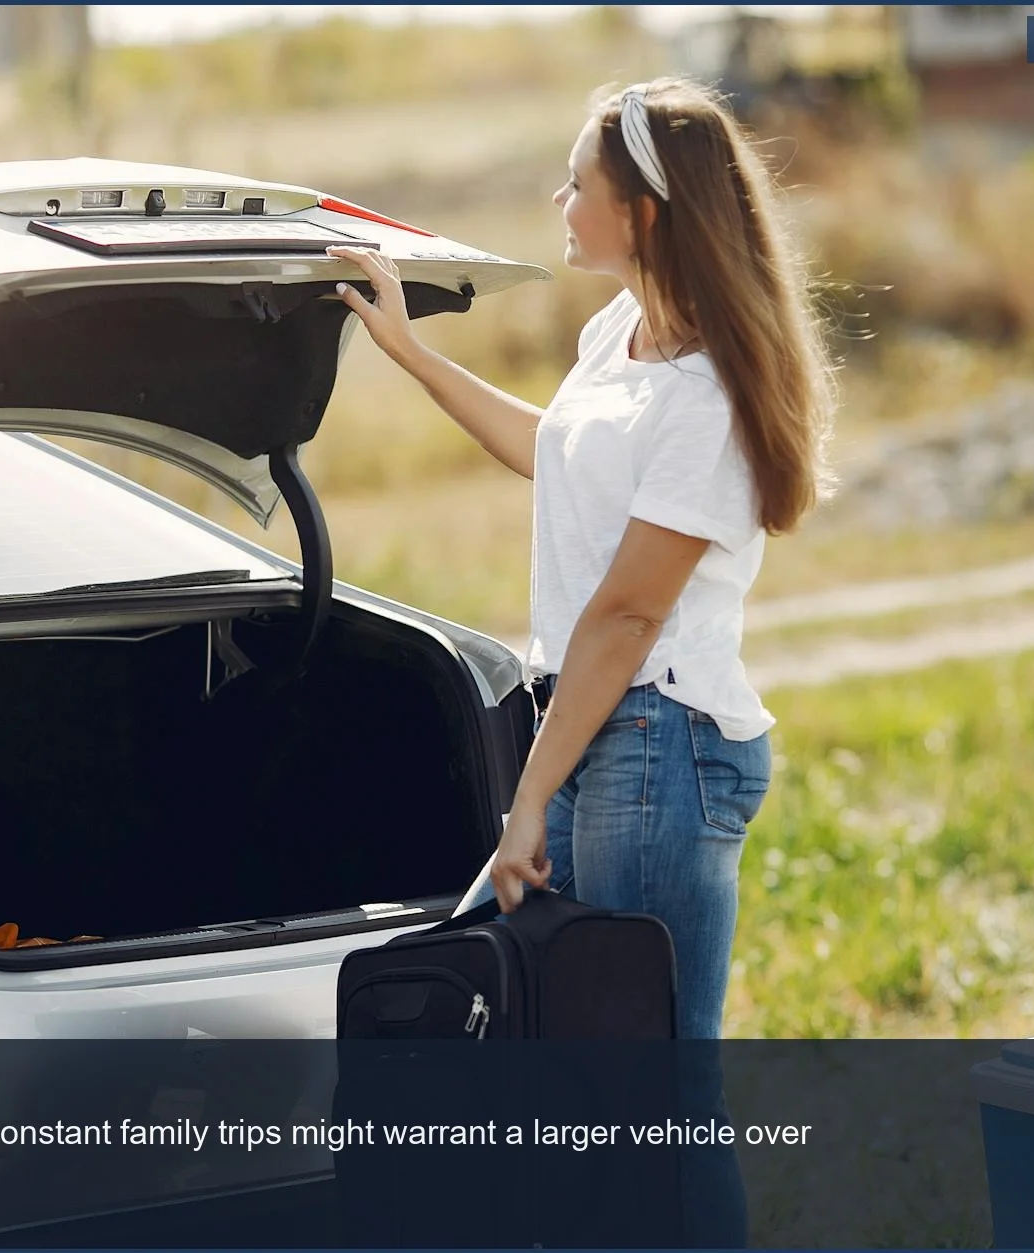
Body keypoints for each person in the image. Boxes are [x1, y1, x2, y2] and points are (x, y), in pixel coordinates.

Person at [326, 76, 835, 1247]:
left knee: (657, 1098)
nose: (560, 197)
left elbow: (621, 619)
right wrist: (408, 354)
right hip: (605, 735)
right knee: (591, 1088)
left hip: (656, 749)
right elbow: (548, 452)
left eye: (579, 182)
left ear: (644, 211)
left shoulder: (708, 397)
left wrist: (528, 798)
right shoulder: (616, 334)